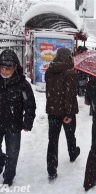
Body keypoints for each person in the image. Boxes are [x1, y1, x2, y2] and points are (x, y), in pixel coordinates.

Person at [0, 49, 36, 186]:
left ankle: (8, 176)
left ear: (15, 67)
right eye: (1, 66)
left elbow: (30, 105)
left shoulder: (22, 85)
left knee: (12, 152)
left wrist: (27, 122)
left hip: (14, 124)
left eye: (7, 67)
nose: (4, 70)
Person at [45, 47, 80, 180]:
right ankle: (72, 152)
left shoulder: (49, 70)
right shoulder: (70, 72)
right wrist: (69, 114)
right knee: (70, 135)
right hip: (66, 112)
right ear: (68, 57)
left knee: (52, 141)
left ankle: (51, 169)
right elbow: (70, 95)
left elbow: (51, 90)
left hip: (53, 110)